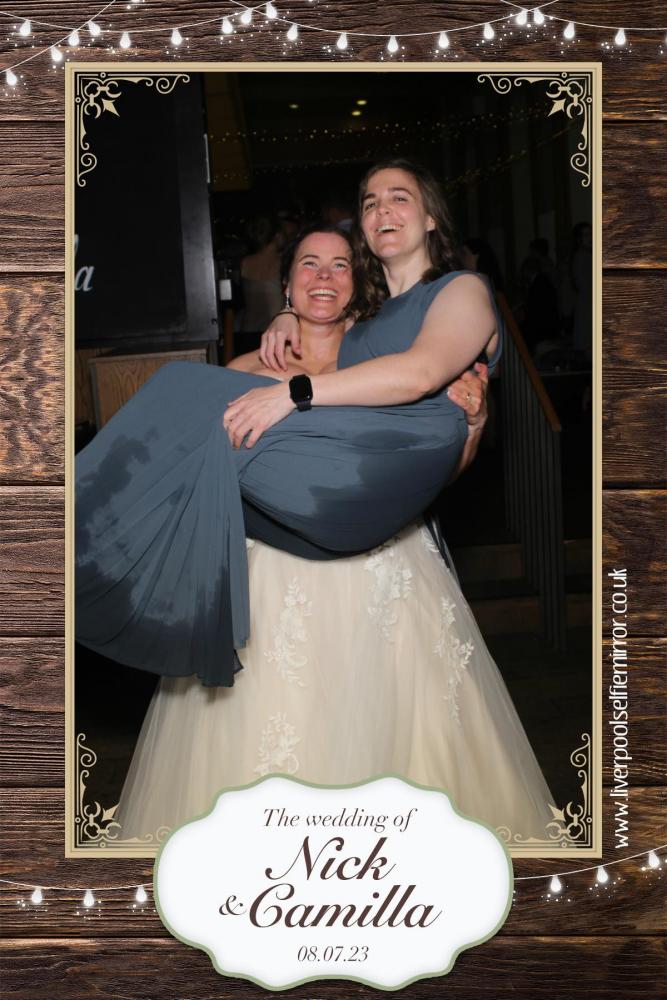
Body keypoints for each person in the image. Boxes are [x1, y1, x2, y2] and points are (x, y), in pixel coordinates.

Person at [115, 225, 555, 842]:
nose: (324, 276)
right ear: (287, 281)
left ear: (358, 282)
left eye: (340, 265)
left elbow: (438, 472)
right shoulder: (245, 370)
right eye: (309, 264)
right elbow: (205, 478)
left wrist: (475, 424)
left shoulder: (385, 359)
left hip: (388, 576)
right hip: (272, 583)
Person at [75, 159, 501, 693]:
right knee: (189, 416)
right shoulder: (372, 333)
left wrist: (474, 424)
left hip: (375, 521)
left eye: (399, 197)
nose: (382, 210)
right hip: (291, 537)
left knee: (182, 391)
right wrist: (283, 317)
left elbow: (419, 384)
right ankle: (87, 563)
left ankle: (56, 541)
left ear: (431, 217)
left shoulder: (448, 299)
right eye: (370, 202)